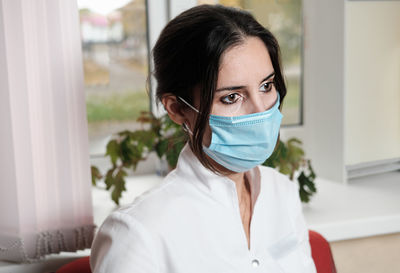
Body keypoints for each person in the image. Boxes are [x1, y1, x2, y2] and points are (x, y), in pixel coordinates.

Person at [90, 4, 316, 273]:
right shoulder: (137, 233)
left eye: (266, 86)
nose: (261, 111)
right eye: (231, 97)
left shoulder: (283, 193)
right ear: (177, 108)